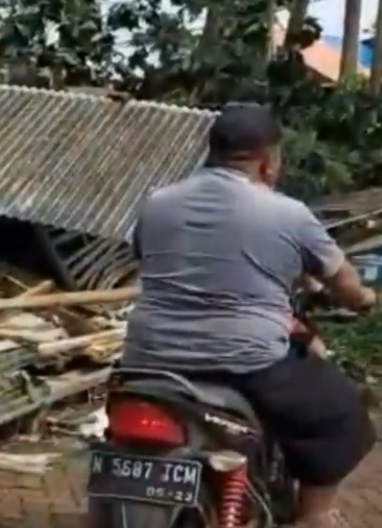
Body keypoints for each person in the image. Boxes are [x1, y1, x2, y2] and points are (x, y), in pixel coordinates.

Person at [122, 102, 377, 528]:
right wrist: (365, 299)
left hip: (148, 356)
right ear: (269, 161)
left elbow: (146, 257)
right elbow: (347, 287)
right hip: (243, 360)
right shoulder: (288, 213)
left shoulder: (157, 202)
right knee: (342, 414)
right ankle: (314, 516)